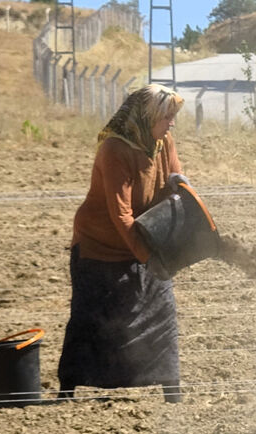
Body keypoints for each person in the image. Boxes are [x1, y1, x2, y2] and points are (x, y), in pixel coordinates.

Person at [58, 84, 188, 403]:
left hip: (141, 241)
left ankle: (173, 391)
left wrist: (180, 190)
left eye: (173, 116)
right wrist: (150, 259)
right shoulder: (114, 150)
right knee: (90, 322)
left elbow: (177, 181)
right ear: (145, 117)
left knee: (163, 313)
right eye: (166, 116)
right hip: (98, 249)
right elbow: (121, 215)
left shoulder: (162, 142)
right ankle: (66, 392)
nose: (172, 123)